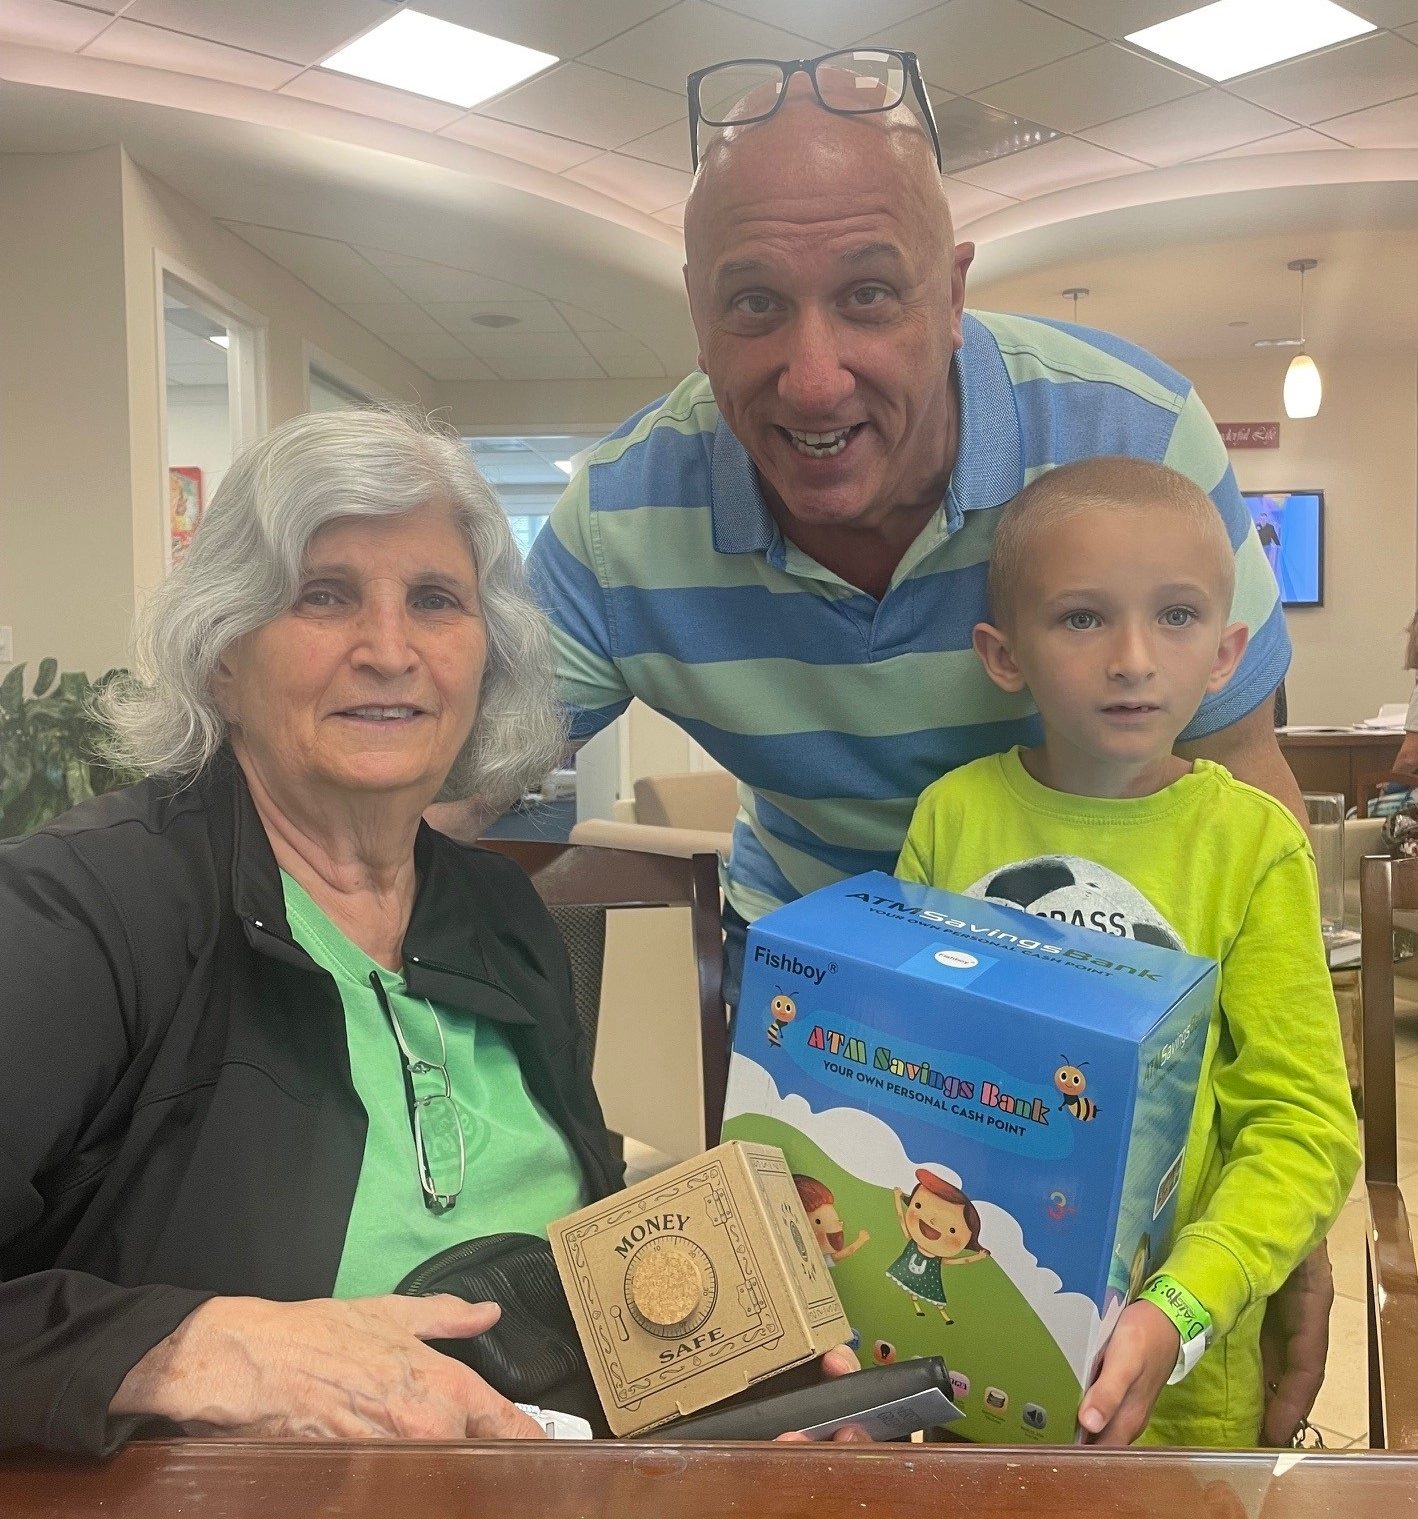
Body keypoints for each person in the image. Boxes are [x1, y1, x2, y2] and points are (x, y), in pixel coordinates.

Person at [524, 49, 1332, 1443]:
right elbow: (444, 780)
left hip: (1131, 1023)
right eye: (754, 304)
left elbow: (1240, 777)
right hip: (840, 1034)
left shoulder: (1128, 435)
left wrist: (1271, 1207)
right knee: (864, 1399)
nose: (812, 369)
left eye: (871, 295)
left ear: (952, 291)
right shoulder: (615, 522)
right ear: (697, 317)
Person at [0, 409, 858, 1456]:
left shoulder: (503, 914)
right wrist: (191, 1347)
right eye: (324, 596)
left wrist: (725, 1377)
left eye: (435, 601)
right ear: (223, 651)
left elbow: (567, 1268)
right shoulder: (87, 907)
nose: (389, 650)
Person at [894, 457, 1360, 1447]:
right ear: (1001, 652)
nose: (1133, 658)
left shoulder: (1253, 845)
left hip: (1181, 1394)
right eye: (1079, 617)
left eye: (1177, 616)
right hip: (973, 1351)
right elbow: (913, 1080)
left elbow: (1305, 1132)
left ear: (1229, 651)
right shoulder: (949, 818)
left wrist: (1183, 1306)